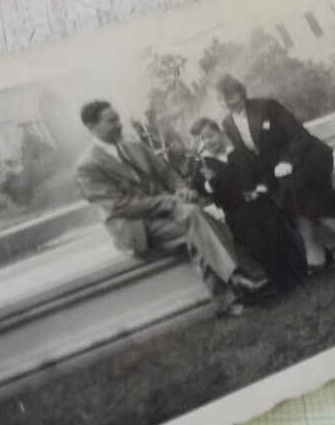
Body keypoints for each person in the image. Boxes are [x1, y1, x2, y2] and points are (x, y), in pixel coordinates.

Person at [74, 100, 266, 317]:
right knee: (197, 221)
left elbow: (166, 173)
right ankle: (237, 277)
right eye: (111, 121)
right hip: (137, 225)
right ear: (91, 126)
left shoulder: (134, 147)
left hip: (170, 213)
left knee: (196, 228)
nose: (119, 124)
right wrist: (169, 201)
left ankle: (229, 299)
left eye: (117, 118)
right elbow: (118, 206)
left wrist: (181, 189)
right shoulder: (87, 166)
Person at [216, 75, 335, 269]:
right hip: (276, 172)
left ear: (241, 92)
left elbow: (299, 135)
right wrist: (258, 183)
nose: (228, 103)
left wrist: (288, 161)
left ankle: (318, 250)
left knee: (296, 190)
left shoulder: (267, 106)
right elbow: (247, 156)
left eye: (231, 97)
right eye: (223, 100)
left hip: (306, 157)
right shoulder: (228, 124)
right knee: (293, 193)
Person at [189, 118, 306, 291]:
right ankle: (279, 279)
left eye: (211, 136)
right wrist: (210, 182)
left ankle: (298, 272)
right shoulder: (204, 166)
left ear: (220, 133)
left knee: (277, 234)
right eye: (203, 139)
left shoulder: (239, 153)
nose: (209, 142)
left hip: (260, 202)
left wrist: (262, 187)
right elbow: (202, 189)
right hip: (237, 211)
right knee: (257, 244)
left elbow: (263, 171)